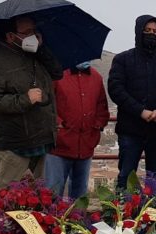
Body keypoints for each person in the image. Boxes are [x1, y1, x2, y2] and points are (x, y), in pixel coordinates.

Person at [0, 15, 63, 191]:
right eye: (27, 32)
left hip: (39, 139)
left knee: (38, 199)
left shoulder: (34, 54)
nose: (33, 35)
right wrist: (24, 99)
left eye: (34, 31)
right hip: (12, 144)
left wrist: (41, 49)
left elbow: (57, 73)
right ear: (10, 36)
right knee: (8, 199)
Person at [108, 15, 156, 189]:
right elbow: (116, 90)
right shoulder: (122, 60)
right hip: (130, 130)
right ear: (139, 32)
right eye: (147, 31)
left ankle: (153, 213)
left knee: (155, 179)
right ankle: (122, 212)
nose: (151, 34)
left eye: (155, 31)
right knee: (126, 175)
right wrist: (141, 111)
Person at [44, 61, 110, 199]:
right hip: (59, 146)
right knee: (53, 193)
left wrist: (97, 126)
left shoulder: (96, 77)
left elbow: (102, 106)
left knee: (80, 195)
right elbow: (46, 105)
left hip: (86, 146)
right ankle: (53, 220)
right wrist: (58, 125)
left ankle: (78, 220)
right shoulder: (56, 75)